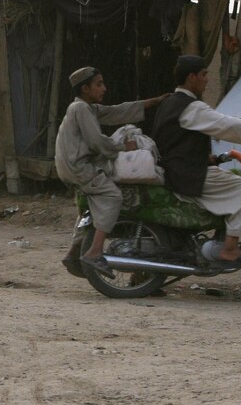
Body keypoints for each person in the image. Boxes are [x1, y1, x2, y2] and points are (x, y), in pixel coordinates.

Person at [153, 55, 241, 267]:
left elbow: (175, 141)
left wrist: (209, 157)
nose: (207, 80)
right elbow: (229, 127)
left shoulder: (169, 103)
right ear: (192, 78)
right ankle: (229, 248)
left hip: (176, 169)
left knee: (229, 182)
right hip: (186, 174)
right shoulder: (192, 107)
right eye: (204, 74)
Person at [55, 67, 166, 278]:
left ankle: (73, 252)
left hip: (71, 166)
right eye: (99, 84)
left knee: (91, 203)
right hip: (79, 167)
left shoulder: (87, 108)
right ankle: (95, 252)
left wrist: (154, 101)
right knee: (112, 195)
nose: (104, 88)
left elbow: (117, 112)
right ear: (86, 88)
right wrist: (124, 146)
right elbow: (96, 142)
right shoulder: (80, 109)